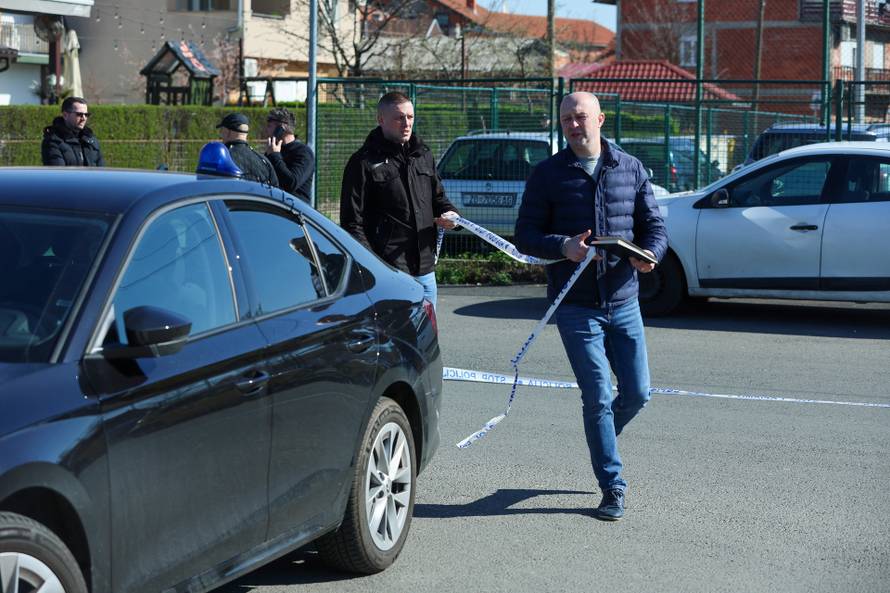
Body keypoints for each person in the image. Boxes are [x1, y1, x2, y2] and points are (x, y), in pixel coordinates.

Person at [515, 92, 667, 521]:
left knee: (637, 394)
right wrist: (563, 246)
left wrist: (649, 252)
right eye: (566, 120)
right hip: (576, 305)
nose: (574, 125)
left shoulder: (630, 168)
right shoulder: (547, 174)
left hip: (623, 299)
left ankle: (603, 440)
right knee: (598, 395)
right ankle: (612, 484)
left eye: (581, 117)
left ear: (600, 119)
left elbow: (654, 224)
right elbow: (525, 234)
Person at [339, 92, 458, 307]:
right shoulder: (362, 163)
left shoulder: (423, 155)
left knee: (427, 336)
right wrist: (374, 265)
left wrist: (451, 216)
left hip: (425, 270)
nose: (406, 123)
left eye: (410, 117)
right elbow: (351, 222)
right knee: (394, 338)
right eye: (399, 118)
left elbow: (439, 198)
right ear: (381, 120)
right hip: (389, 273)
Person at [264, 107, 315, 203]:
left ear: (281, 128)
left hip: (295, 212)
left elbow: (291, 183)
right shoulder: (273, 150)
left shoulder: (304, 153)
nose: (266, 130)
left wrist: (275, 155)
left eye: (269, 126)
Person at [216, 113, 278, 187]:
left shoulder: (220, 158)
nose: (221, 134)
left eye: (222, 130)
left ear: (228, 132)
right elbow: (275, 190)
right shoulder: (263, 160)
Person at [42, 96, 105, 167]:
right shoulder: (53, 141)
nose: (84, 118)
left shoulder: (91, 140)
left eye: (86, 115)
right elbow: (58, 175)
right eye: (79, 114)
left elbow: (101, 171)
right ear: (65, 115)